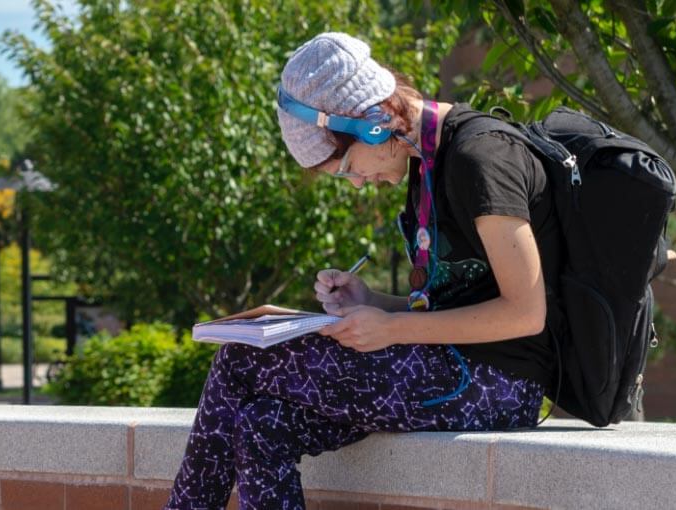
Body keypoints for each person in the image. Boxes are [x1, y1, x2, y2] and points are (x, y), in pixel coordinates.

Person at [166, 33, 554, 509]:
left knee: (240, 359)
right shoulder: (424, 165)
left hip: (497, 384)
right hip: (447, 367)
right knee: (261, 420)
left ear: (376, 121)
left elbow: (525, 312)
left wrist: (392, 327)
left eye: (347, 166)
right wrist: (372, 303)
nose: (356, 183)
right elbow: (453, 303)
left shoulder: (480, 158)